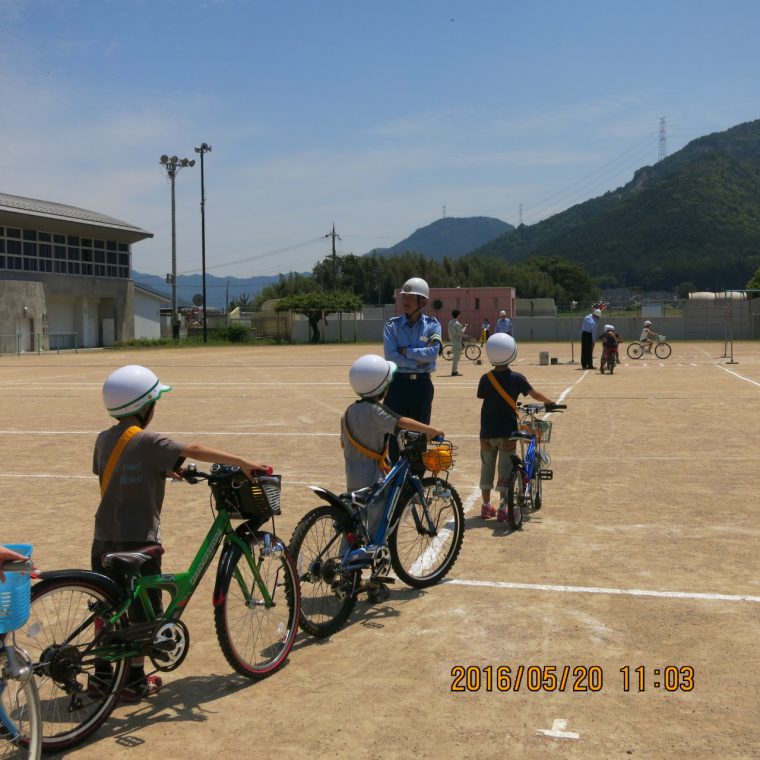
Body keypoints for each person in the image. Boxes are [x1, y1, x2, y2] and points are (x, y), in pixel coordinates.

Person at [92, 364, 270, 702]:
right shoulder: (149, 439)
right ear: (144, 406)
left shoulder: (103, 439)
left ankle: (101, 679)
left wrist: (172, 471)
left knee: (109, 607)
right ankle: (134, 681)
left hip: (103, 536)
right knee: (143, 614)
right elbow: (196, 448)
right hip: (140, 537)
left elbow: (119, 468)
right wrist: (244, 462)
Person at [342, 355, 444, 538]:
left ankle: (345, 558)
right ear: (382, 388)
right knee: (378, 528)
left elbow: (344, 444)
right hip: (374, 480)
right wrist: (431, 430)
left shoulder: (348, 412)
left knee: (352, 523)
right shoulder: (377, 412)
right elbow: (401, 422)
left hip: (352, 476)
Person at [477, 334, 556, 523]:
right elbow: (534, 394)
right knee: (505, 469)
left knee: (486, 467)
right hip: (508, 432)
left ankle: (486, 506)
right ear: (512, 352)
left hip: (487, 431)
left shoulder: (485, 378)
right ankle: (504, 507)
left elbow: (482, 396)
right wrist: (550, 402)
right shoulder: (517, 378)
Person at [383, 277, 442, 466]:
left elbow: (433, 353)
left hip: (422, 387)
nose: (405, 301)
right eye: (403, 297)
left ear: (423, 302)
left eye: (411, 297)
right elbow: (391, 357)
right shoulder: (392, 326)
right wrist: (419, 361)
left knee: (419, 434)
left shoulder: (433, 325)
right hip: (397, 384)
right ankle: (393, 476)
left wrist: (406, 351)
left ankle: (415, 480)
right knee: (394, 431)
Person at [447, 309, 466, 376]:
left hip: (452, 340)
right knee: (456, 358)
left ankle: (454, 371)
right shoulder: (457, 324)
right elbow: (460, 332)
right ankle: (454, 371)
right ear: (458, 315)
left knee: (456, 356)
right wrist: (465, 328)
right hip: (457, 341)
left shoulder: (450, 322)